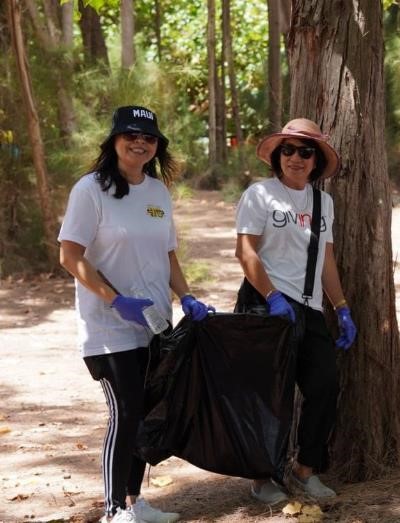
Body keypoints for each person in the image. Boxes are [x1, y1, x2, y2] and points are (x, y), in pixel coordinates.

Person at [59, 106, 212, 523]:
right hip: (107, 326)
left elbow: (167, 254)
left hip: (154, 325)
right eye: (130, 134)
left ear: (157, 146)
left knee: (143, 412)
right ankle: (111, 511)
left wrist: (187, 297)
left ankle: (134, 502)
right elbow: (69, 255)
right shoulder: (90, 190)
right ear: (113, 141)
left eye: (148, 137)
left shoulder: (157, 192)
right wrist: (114, 299)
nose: (139, 142)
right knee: (125, 410)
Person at [235, 118, 357, 504]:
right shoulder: (259, 195)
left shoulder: (324, 203)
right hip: (265, 304)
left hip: (309, 308)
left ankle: (305, 470)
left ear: (317, 161)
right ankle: (261, 477)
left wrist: (341, 308)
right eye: (288, 150)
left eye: (306, 152)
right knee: (271, 395)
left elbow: (326, 260)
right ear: (277, 155)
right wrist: (271, 296)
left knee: (324, 386)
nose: (297, 158)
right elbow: (246, 251)